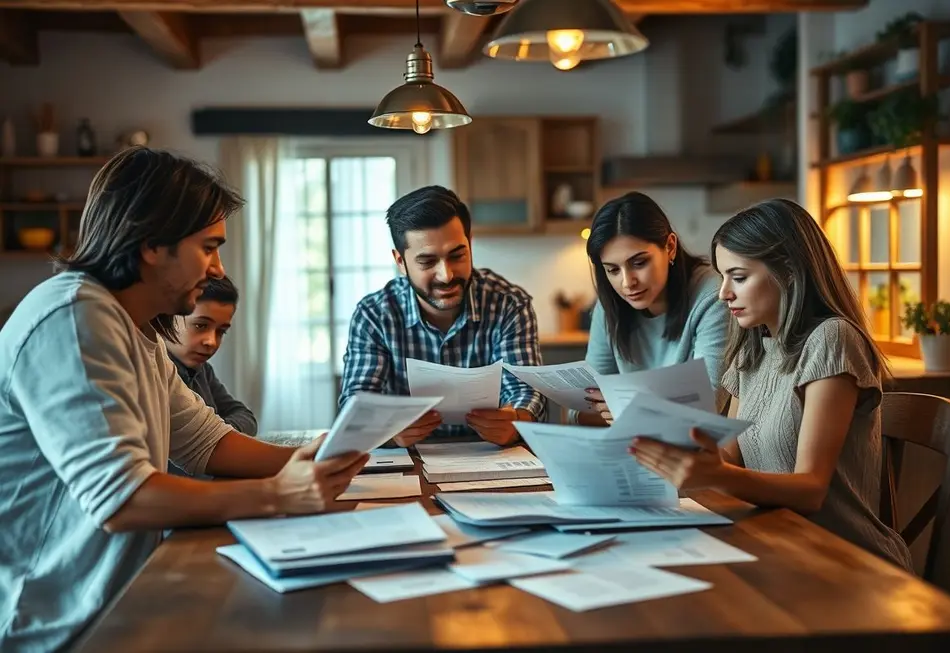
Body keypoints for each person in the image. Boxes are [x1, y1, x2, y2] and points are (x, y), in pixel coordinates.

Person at [0, 147, 368, 653]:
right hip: (57, 627)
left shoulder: (136, 326)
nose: (217, 269)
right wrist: (280, 493)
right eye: (209, 246)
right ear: (153, 244)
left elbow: (205, 441)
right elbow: (123, 497)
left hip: (119, 603)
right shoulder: (74, 317)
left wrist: (317, 460)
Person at [629, 198, 913, 571]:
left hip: (845, 559)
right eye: (723, 276)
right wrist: (683, 454)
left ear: (790, 272)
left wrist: (717, 475)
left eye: (739, 277)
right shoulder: (753, 346)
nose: (723, 292)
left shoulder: (832, 339)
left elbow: (810, 490)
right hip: (777, 544)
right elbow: (731, 458)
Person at [339, 185, 545, 447]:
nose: (446, 275)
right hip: (406, 461)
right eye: (427, 262)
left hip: (489, 455)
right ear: (400, 261)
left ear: (470, 244)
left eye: (457, 255)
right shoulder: (374, 315)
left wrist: (517, 422)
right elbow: (357, 405)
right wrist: (387, 431)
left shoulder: (509, 305)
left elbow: (526, 392)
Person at [576, 192, 729, 426]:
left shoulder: (712, 295)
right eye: (612, 270)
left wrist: (627, 408)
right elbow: (582, 410)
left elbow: (709, 403)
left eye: (639, 263)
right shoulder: (608, 308)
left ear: (670, 247)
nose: (627, 283)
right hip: (632, 447)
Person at [166, 275, 257, 438]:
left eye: (221, 331)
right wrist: (220, 435)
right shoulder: (155, 372)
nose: (211, 342)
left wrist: (217, 434)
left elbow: (244, 415)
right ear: (167, 318)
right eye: (200, 325)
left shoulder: (203, 370)